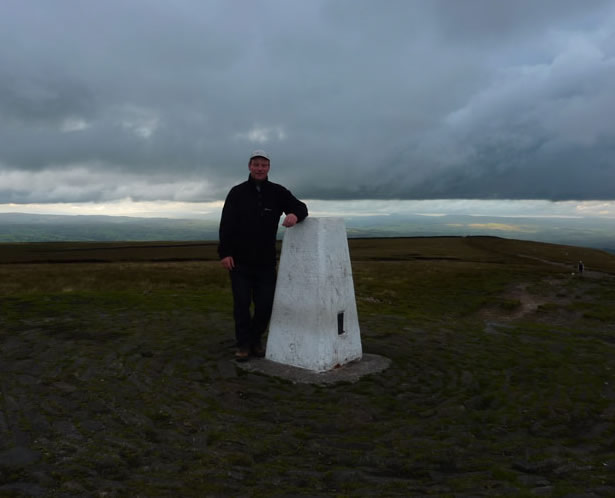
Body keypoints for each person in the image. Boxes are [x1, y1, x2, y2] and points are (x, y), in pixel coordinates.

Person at [218, 149, 308, 361]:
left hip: (266, 263)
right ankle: (243, 345)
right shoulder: (236, 193)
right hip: (239, 262)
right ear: (250, 166)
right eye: (256, 164)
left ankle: (255, 339)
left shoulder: (277, 192)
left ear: (268, 168)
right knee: (241, 305)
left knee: (265, 305)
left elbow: (300, 207)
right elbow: (226, 225)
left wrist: (295, 214)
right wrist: (225, 253)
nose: (260, 168)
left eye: (264, 165)